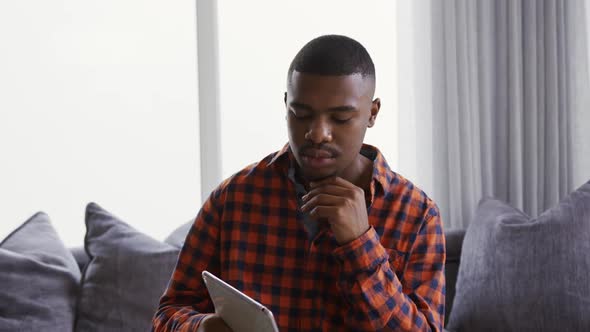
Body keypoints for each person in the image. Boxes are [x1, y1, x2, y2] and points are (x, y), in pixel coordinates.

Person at [152, 35, 445, 332]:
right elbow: (168, 314)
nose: (317, 134)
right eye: (301, 114)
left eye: (341, 118)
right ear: (286, 105)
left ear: (372, 113)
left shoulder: (417, 215)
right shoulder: (233, 199)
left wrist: (360, 244)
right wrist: (202, 328)